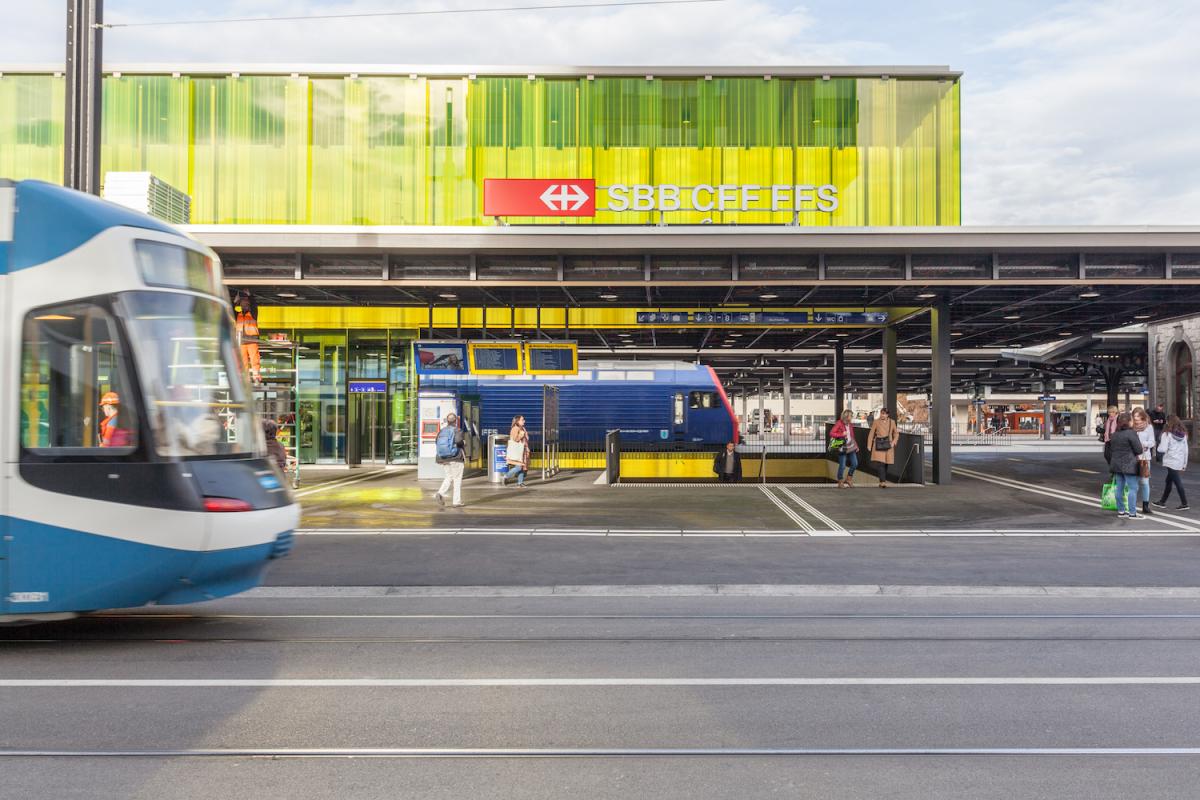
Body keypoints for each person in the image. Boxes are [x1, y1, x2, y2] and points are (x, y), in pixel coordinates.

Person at [1107, 412, 1143, 519]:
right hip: (1129, 464)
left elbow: (1111, 450)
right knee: (1133, 488)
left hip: (1117, 465)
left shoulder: (1114, 434)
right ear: (1129, 422)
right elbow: (1139, 450)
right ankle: (1132, 513)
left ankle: (1121, 511)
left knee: (1119, 488)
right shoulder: (1131, 433)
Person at [1152, 415, 1190, 511]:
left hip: (1170, 461)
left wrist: (1158, 447)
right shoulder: (1183, 434)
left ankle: (1184, 503)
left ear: (1169, 422)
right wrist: (1184, 464)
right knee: (1168, 481)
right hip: (1179, 461)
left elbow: (1162, 449)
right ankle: (1162, 502)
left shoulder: (1167, 434)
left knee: (1177, 482)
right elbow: (1186, 450)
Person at [432, 412, 466, 508]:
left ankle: (440, 493)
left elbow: (436, 442)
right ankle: (456, 501)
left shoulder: (442, 431)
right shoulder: (458, 430)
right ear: (456, 421)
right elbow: (459, 441)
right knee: (457, 479)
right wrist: (463, 442)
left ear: (447, 421)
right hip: (456, 458)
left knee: (448, 477)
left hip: (444, 458)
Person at [866, 407, 899, 488]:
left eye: (884, 413)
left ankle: (882, 480)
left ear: (887, 415)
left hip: (888, 445)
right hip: (879, 444)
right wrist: (869, 445)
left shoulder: (892, 422)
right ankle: (882, 481)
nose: (882, 415)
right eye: (881, 413)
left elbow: (896, 433)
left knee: (886, 463)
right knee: (881, 463)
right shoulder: (876, 422)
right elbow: (871, 433)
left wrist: (894, 442)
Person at [1132, 407, 1156, 515]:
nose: (1136, 419)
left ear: (1142, 416)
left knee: (1145, 482)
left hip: (1145, 458)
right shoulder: (1131, 426)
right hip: (1132, 457)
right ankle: (1131, 505)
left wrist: (1144, 444)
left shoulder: (1148, 427)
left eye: (1137, 417)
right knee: (1133, 482)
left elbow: (1152, 442)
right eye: (1134, 417)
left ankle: (1145, 506)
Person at [829, 409, 859, 489]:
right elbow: (831, 433)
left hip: (851, 446)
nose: (851, 417)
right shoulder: (839, 423)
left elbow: (852, 436)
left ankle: (849, 479)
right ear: (846, 416)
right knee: (842, 465)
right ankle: (840, 481)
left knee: (855, 463)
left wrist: (856, 446)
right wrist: (841, 434)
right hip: (842, 447)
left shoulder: (850, 424)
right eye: (851, 416)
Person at [505, 415, 530, 488]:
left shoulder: (523, 428)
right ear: (517, 421)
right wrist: (521, 435)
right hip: (518, 451)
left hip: (523, 450)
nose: (524, 421)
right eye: (522, 420)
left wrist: (527, 449)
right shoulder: (515, 429)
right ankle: (506, 476)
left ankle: (520, 483)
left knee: (522, 467)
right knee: (519, 467)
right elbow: (515, 439)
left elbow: (526, 440)